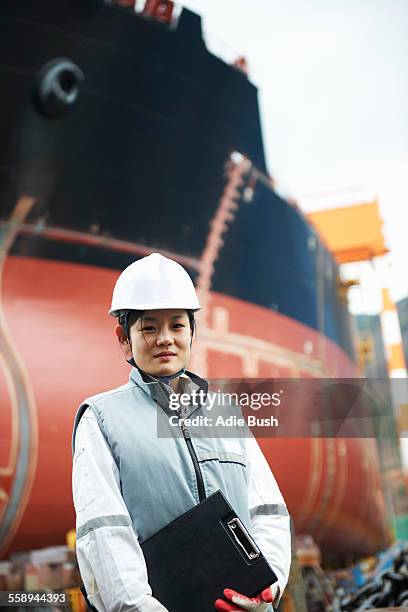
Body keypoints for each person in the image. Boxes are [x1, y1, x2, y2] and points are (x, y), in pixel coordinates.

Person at [72, 252, 291, 612]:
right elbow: (103, 529)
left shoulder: (224, 414)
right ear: (123, 338)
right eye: (149, 328)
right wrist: (139, 607)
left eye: (176, 325)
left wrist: (268, 589)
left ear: (192, 332)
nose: (165, 339)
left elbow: (267, 510)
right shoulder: (101, 419)